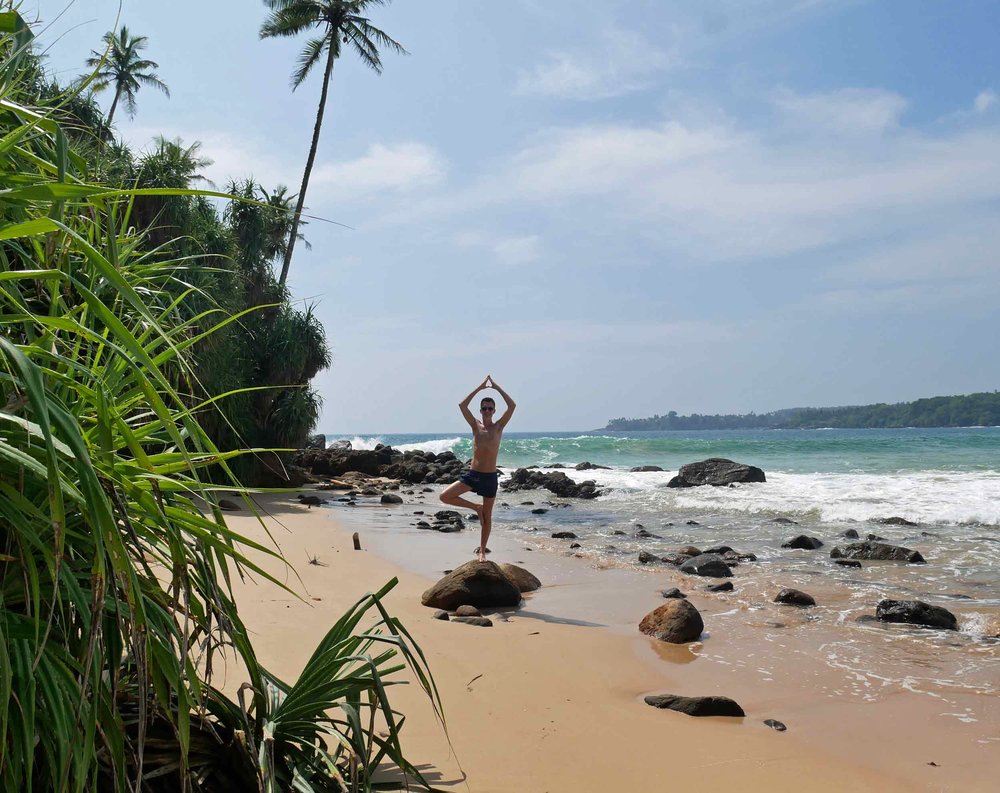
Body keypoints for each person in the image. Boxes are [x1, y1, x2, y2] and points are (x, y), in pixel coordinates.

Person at [440, 375, 516, 561]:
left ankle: (482, 551)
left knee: (487, 517)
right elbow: (462, 406)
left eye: (490, 408)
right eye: (484, 408)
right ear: (481, 410)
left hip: (490, 478)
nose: (487, 410)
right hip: (473, 475)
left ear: (494, 410)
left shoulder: (499, 427)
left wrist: (496, 387)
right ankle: (476, 507)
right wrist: (480, 388)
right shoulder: (475, 426)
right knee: (445, 496)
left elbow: (512, 406)